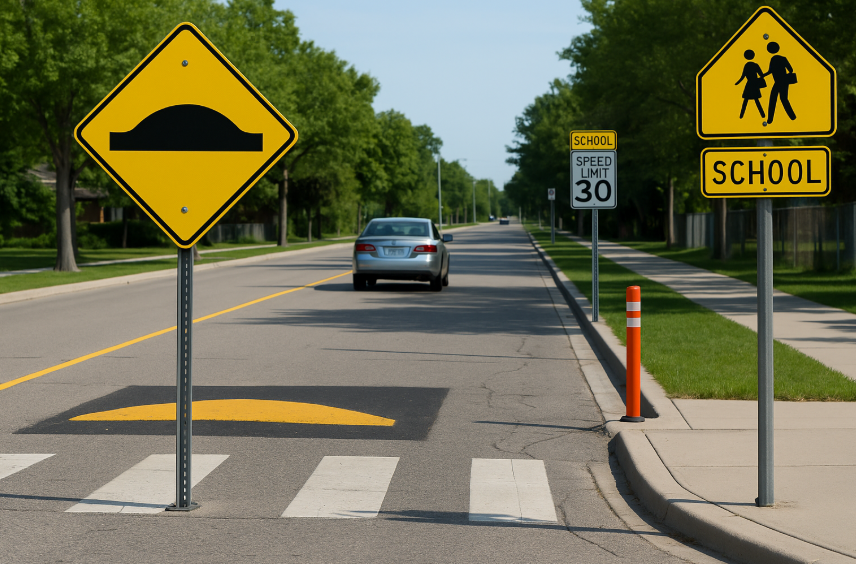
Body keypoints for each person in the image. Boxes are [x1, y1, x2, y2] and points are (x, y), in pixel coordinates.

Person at [763, 42, 797, 123]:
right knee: (783, 99)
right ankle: (792, 117)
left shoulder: (773, 59)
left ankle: (770, 119)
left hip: (779, 81)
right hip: (784, 81)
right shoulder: (783, 58)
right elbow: (791, 69)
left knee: (774, 99)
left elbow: (770, 71)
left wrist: (762, 75)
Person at [735, 49, 766, 119]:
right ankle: (762, 115)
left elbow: (743, 76)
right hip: (754, 84)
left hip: (749, 84)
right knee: (755, 100)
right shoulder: (755, 65)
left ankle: (741, 116)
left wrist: (738, 82)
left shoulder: (747, 65)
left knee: (746, 100)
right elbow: (761, 75)